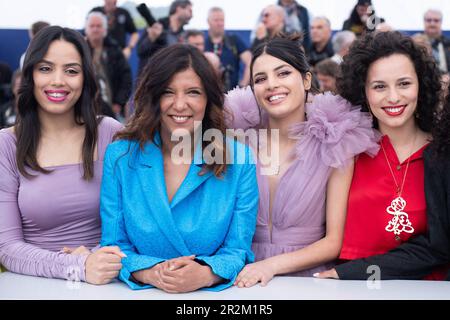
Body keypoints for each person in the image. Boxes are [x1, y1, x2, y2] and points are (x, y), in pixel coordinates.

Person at [100, 44, 259, 292]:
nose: (180, 104)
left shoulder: (240, 159)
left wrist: (207, 275)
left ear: (209, 98)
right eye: (168, 92)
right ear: (153, 97)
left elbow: (238, 250)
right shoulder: (120, 156)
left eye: (193, 92)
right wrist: (151, 273)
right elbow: (114, 244)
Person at [224, 34, 379, 288]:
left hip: (308, 280)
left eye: (283, 73)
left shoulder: (336, 143)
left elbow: (333, 242)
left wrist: (270, 265)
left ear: (306, 79)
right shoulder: (239, 142)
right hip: (242, 277)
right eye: (260, 79)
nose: (272, 84)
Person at [314, 31, 448, 280]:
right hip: (351, 287)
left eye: (404, 83)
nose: (393, 97)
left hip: (426, 290)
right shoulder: (347, 150)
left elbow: (440, 246)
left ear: (421, 84)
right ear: (363, 91)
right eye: (379, 87)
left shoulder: (442, 154)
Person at [0, 26, 124, 284]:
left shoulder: (110, 133)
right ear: (30, 75)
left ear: (85, 78)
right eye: (45, 69)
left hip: (112, 282)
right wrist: (78, 265)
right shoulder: (7, 144)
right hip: (36, 285)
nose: (58, 80)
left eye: (71, 70)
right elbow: (7, 248)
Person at [85, 11, 132, 122]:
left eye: (99, 26)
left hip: (113, 110)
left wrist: (119, 103)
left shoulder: (114, 50)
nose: (95, 29)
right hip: (87, 111)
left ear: (105, 30)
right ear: (86, 29)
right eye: (92, 26)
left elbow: (126, 78)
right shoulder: (80, 51)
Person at [136, 0, 193, 75]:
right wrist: (151, 39)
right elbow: (140, 51)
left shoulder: (183, 35)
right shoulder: (156, 25)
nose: (192, 15)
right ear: (179, 9)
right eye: (190, 11)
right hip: (151, 78)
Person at [205, 7, 251, 91]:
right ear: (208, 21)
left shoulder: (233, 40)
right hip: (209, 92)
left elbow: (250, 61)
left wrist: (243, 85)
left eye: (222, 20)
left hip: (231, 92)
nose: (220, 23)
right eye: (216, 20)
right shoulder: (202, 42)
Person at [422, 9, 450, 73]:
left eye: (436, 20)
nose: (432, 24)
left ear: (441, 22)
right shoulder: (415, 43)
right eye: (429, 20)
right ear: (424, 22)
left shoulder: (448, 43)